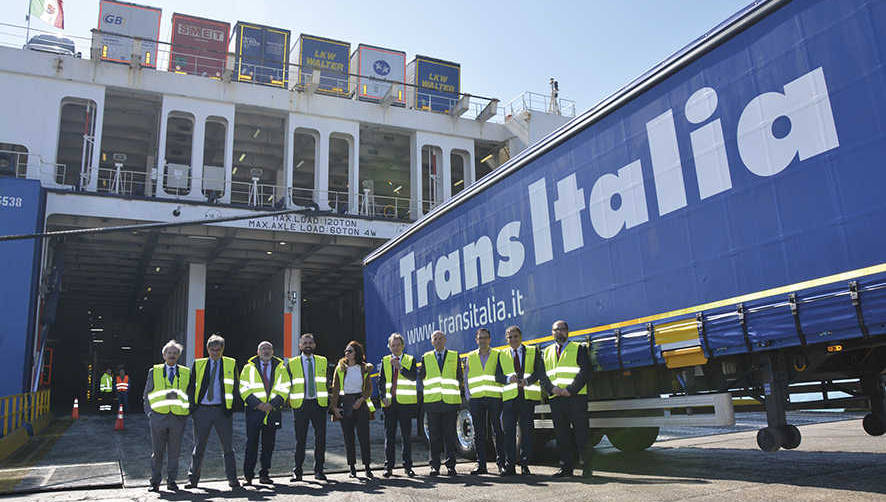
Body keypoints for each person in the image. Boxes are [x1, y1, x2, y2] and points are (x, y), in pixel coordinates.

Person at [185, 334, 240, 490]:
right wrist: (193, 408)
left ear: (222, 349)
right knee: (199, 446)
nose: (215, 352)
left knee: (228, 447)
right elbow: (191, 387)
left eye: (218, 349)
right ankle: (193, 479)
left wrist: (231, 408)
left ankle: (233, 479)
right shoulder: (198, 364)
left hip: (222, 411)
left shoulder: (231, 363)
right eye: (212, 349)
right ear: (207, 349)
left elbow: (236, 387)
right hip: (202, 411)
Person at [542, 320, 593, 478]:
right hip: (556, 398)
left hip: (575, 397)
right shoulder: (547, 352)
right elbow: (543, 376)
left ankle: (587, 468)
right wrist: (552, 389)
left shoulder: (579, 348)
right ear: (552, 333)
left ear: (568, 331)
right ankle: (566, 468)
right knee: (562, 435)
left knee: (581, 433)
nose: (559, 332)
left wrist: (569, 390)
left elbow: (585, 372)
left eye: (562, 329)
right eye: (556, 330)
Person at [239, 340, 290, 486]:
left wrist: (271, 405)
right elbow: (244, 388)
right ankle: (248, 476)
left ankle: (264, 474)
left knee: (268, 445)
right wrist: (258, 404)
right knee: (251, 444)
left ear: (273, 352)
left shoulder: (281, 367)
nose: (266, 351)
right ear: (258, 352)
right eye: (263, 349)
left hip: (272, 411)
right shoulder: (248, 368)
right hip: (254, 411)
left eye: (268, 349)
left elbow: (285, 387)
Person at [498, 325, 546, 476]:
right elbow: (497, 376)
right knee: (509, 433)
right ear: (507, 339)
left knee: (527, 433)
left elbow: (540, 371)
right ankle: (510, 465)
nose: (513, 339)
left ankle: (525, 465)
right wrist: (507, 378)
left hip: (527, 398)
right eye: (510, 337)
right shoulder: (502, 355)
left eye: (515, 336)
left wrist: (529, 380)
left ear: (521, 337)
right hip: (509, 400)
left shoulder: (532, 351)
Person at [143, 340, 190, 492]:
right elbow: (147, 394)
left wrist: (186, 413)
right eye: (169, 353)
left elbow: (190, 394)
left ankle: (172, 481)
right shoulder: (154, 371)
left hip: (177, 418)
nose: (172, 355)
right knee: (158, 452)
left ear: (179, 356)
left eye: (175, 353)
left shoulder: (185, 372)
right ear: (164, 355)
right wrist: (150, 413)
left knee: (174, 452)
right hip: (158, 417)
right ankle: (155, 482)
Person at [418, 330, 463, 477]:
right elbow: (422, 378)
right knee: (434, 437)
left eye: (440, 338)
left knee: (450, 436)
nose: (438, 341)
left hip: (450, 402)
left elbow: (459, 377)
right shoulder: (426, 357)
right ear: (432, 342)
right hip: (433, 403)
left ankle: (451, 466)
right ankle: (434, 466)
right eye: (435, 339)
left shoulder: (454, 356)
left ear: (445, 340)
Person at [287, 333, 330, 482]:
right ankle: (297, 471)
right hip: (300, 405)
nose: (308, 345)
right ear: (300, 346)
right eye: (305, 343)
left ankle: (319, 470)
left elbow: (328, 381)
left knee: (320, 439)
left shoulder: (323, 361)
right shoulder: (291, 363)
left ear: (315, 345)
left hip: (318, 404)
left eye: (310, 342)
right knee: (300, 440)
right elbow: (286, 384)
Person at [330, 340, 375, 479]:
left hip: (360, 402)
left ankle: (367, 467)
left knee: (364, 437)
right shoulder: (340, 368)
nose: (347, 353)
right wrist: (334, 408)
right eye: (346, 351)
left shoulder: (364, 368)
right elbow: (335, 389)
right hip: (345, 403)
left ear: (356, 353)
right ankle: (352, 468)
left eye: (350, 351)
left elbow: (368, 389)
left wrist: (361, 400)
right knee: (348, 437)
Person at [464, 328, 506, 475]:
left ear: (490, 339)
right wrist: (468, 396)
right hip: (476, 399)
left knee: (498, 431)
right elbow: (466, 377)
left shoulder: (497, 354)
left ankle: (501, 464)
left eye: (485, 338)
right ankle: (481, 464)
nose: (483, 340)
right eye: (480, 338)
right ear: (476, 340)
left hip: (494, 397)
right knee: (479, 433)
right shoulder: (470, 356)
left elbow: (502, 374)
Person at [377, 332, 418, 478]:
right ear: (389, 347)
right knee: (390, 436)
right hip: (390, 404)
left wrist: (400, 367)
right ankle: (388, 467)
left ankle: (408, 467)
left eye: (398, 345)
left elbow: (413, 377)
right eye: (392, 345)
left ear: (403, 346)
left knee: (406, 437)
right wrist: (383, 398)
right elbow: (381, 382)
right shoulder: (385, 360)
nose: (395, 348)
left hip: (405, 404)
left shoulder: (409, 360)